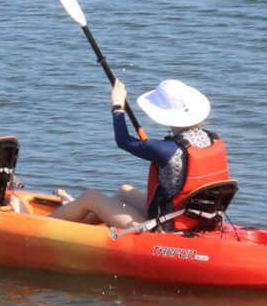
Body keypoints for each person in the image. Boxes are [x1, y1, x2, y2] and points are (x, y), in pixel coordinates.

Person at [50, 77, 228, 229]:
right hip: (194, 219)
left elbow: (123, 141)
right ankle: (78, 218)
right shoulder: (212, 140)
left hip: (165, 226)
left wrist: (118, 106)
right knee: (124, 191)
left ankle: (39, 225)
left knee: (90, 196)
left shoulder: (166, 150)